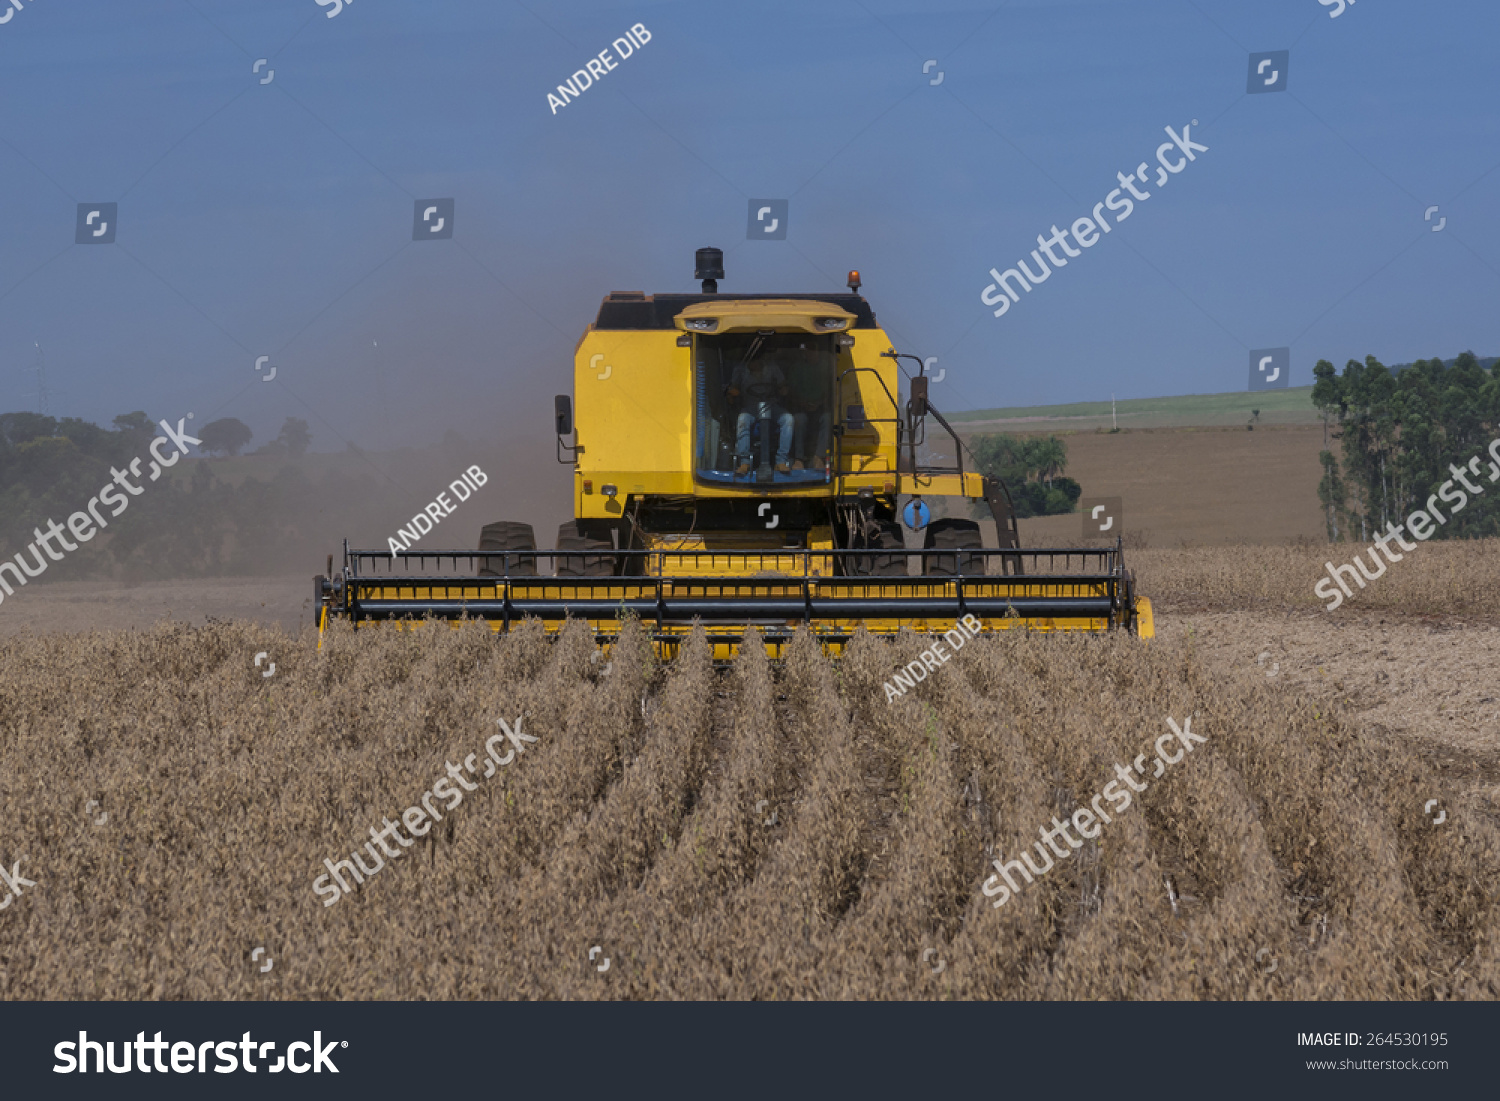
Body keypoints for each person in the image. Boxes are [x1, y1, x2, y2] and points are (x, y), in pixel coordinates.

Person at [728, 354, 794, 475]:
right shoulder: (740, 370)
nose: (753, 364)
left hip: (771, 404)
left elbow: (783, 386)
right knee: (742, 419)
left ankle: (781, 461)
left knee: (788, 419)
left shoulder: (773, 368)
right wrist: (733, 392)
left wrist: (784, 390)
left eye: (756, 361)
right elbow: (733, 389)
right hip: (750, 407)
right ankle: (744, 462)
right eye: (751, 361)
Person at [785, 349, 830, 471]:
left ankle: (819, 457)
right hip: (800, 407)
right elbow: (790, 391)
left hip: (820, 407)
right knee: (799, 420)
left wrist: (820, 403)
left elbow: (830, 390)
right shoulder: (797, 368)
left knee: (827, 419)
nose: (812, 353)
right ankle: (798, 459)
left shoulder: (826, 367)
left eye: (814, 349)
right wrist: (802, 403)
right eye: (809, 350)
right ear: (804, 353)